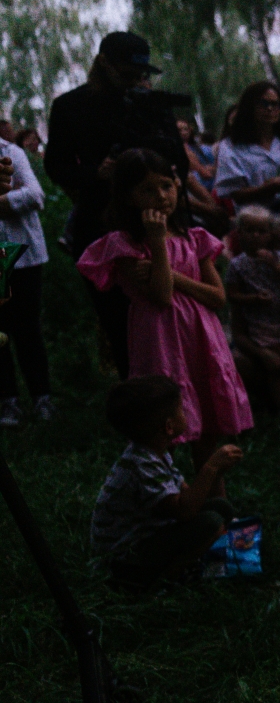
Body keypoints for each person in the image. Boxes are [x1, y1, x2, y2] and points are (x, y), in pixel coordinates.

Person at [76, 149, 254, 470]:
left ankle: (214, 510)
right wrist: (158, 243)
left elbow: (216, 296)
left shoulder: (195, 238)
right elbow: (160, 297)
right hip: (160, 341)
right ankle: (170, 500)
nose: (161, 196)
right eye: (147, 190)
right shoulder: (125, 244)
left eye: (166, 186)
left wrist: (174, 276)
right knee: (162, 428)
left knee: (208, 434)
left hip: (202, 338)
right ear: (129, 197)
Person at [44, 33, 188, 376]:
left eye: (140, 75)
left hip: (158, 226)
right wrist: (97, 173)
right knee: (119, 324)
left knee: (174, 316)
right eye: (127, 73)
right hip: (102, 227)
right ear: (104, 63)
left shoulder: (152, 105)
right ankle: (140, 408)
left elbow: (179, 161)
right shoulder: (70, 107)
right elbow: (56, 165)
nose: (135, 81)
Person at [91, 375, 243, 589]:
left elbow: (189, 498)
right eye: (181, 408)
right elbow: (184, 510)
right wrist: (211, 468)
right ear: (169, 426)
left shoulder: (154, 454)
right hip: (124, 563)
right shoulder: (142, 466)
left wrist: (216, 474)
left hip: (148, 538)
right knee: (211, 523)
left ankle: (211, 560)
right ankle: (163, 583)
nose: (186, 411)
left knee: (221, 507)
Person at [224, 205, 280, 421]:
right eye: (249, 231)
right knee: (275, 368)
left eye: (261, 231)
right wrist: (253, 299)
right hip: (262, 323)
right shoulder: (237, 265)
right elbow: (231, 295)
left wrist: (275, 266)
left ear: (270, 234)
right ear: (239, 233)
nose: (256, 236)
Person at [0, 137, 53, 426]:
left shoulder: (11, 152)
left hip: (24, 254)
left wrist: (6, 201)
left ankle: (41, 398)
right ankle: (8, 402)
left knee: (28, 330)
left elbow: (35, 195)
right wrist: (10, 199)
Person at [215, 81, 280, 233]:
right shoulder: (231, 147)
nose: (269, 109)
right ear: (249, 107)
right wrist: (270, 188)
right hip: (256, 226)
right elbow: (236, 194)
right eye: (263, 103)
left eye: (275, 104)